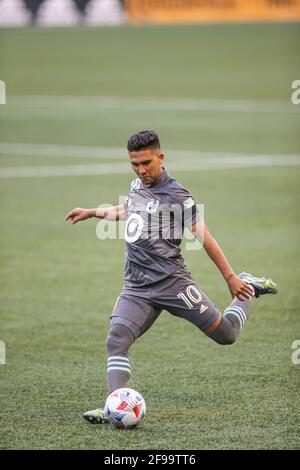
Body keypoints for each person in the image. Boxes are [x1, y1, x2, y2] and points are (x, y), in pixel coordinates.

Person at [65, 130, 278, 424]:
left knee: (226, 335)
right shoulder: (137, 185)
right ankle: (115, 404)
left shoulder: (177, 194)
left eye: (147, 163)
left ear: (161, 158)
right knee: (116, 340)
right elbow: (128, 209)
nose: (141, 170)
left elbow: (205, 237)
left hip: (173, 284)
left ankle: (247, 284)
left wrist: (230, 277)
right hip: (136, 288)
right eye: (135, 164)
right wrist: (92, 212)